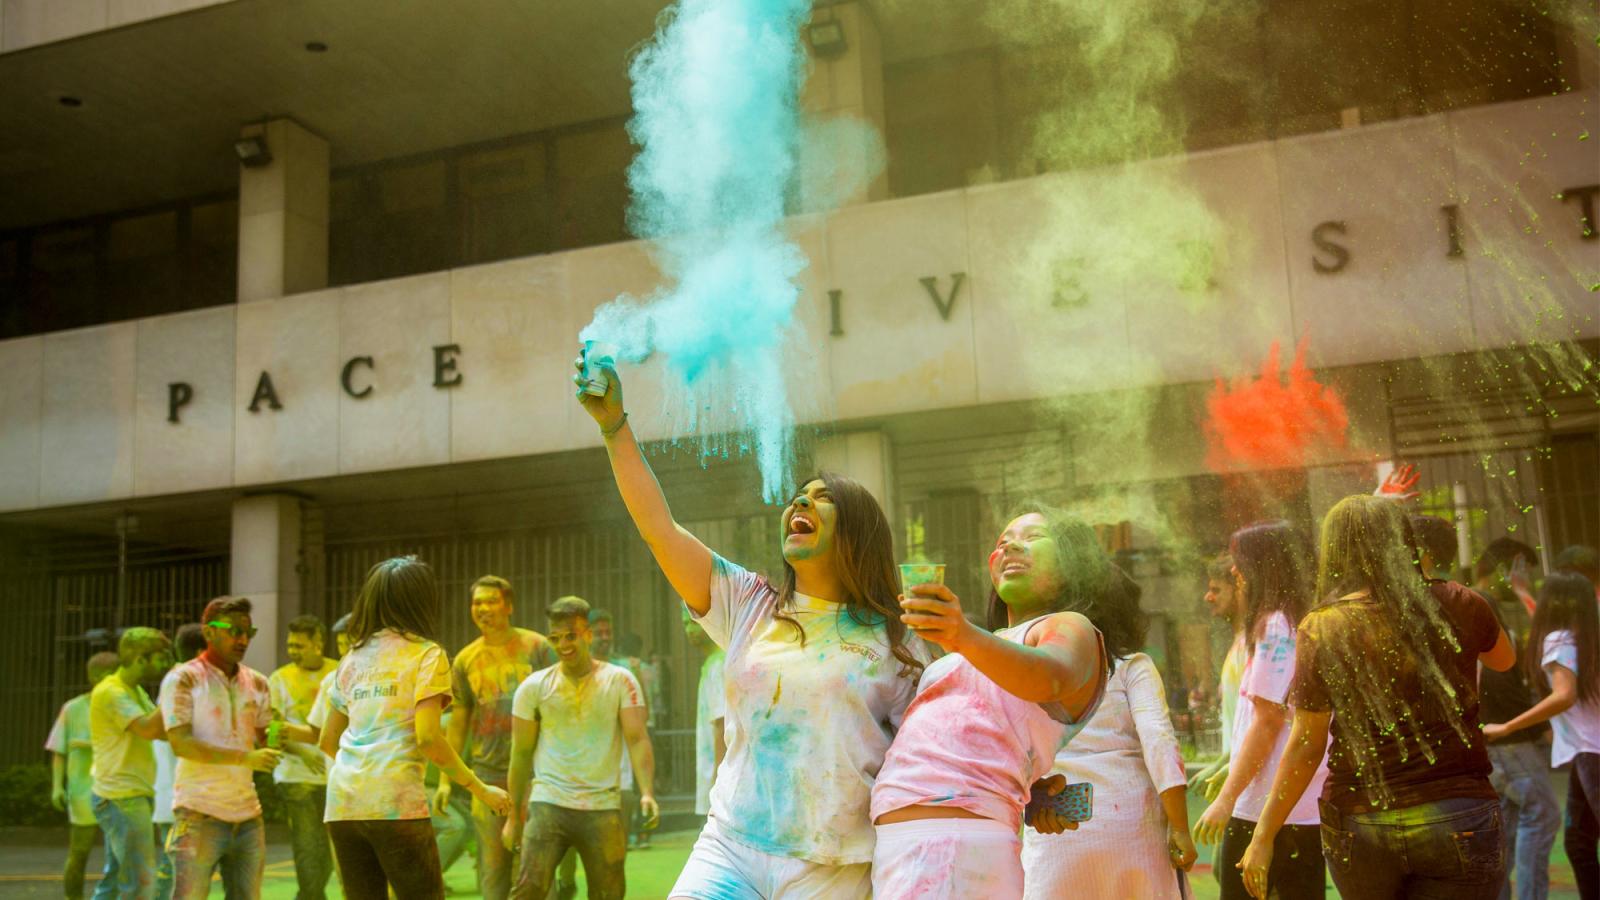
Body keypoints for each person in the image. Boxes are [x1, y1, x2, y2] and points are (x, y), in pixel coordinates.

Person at [573, 355, 925, 899]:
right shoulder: (749, 603)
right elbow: (659, 530)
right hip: (730, 846)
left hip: (835, 865)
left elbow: (928, 752)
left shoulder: (898, 638)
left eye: (823, 498)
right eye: (799, 496)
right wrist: (614, 428)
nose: (801, 501)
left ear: (859, 534)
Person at [1238, 494, 1516, 899]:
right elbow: (1505, 661)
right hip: (1457, 809)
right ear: (1405, 542)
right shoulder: (1460, 602)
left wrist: (1263, 835)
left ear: (1334, 552)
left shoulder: (1323, 626)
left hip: (1361, 819)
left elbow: (1305, 744)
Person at [868, 510, 1108, 897]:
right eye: (1002, 542)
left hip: (953, 846)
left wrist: (961, 634)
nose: (1011, 545)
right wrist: (1030, 792)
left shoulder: (1069, 626)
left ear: (1071, 565)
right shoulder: (973, 648)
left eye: (1032, 537)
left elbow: (1051, 676)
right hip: (905, 843)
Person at [317, 556, 511, 900]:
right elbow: (427, 738)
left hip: (343, 804)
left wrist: (361, 771)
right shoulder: (426, 655)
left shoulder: (352, 658)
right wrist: (482, 790)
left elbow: (327, 739)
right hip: (397, 804)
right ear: (420, 599)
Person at [1021, 564, 1196, 899]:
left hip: (1057, 823)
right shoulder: (1132, 666)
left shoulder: (1040, 670)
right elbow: (1159, 740)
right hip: (1132, 826)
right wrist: (1181, 827)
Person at [1195, 521, 1327, 899]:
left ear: (1263, 567)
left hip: (1268, 808)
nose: (1234, 571)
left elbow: (1268, 723)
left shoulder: (1276, 626)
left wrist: (1226, 800)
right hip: (1295, 807)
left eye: (1240, 562)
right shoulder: (1297, 619)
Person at [502, 595, 657, 900]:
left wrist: (647, 792)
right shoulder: (533, 688)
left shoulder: (620, 681)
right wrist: (512, 817)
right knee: (528, 889)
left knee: (609, 893)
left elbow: (637, 739)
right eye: (555, 638)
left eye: (571, 636)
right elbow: (520, 753)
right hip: (549, 803)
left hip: (603, 805)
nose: (563, 645)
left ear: (587, 634)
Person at [163, 596, 308, 900]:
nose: (242, 639)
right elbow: (181, 744)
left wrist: (277, 735)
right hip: (198, 813)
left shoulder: (257, 682)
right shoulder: (184, 678)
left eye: (248, 632)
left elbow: (266, 736)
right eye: (234, 630)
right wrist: (247, 758)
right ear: (209, 631)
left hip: (247, 817)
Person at [436, 575, 554, 900]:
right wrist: (446, 782)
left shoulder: (538, 648)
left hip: (536, 776)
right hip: (487, 780)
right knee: (492, 870)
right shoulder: (464, 660)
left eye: (491, 601)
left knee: (536, 867)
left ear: (509, 605)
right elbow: (458, 722)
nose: (483, 608)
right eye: (477, 603)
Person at [1485, 571, 1600, 899]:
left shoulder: (1559, 640)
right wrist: (1523, 593)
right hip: (1586, 752)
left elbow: (1564, 695)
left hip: (1590, 754)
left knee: (1576, 839)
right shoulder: (1586, 637)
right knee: (1578, 842)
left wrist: (1507, 726)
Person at [1472, 538, 1559, 900]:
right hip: (1507, 738)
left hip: (1498, 736)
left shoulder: (1480, 604)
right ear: (1513, 566)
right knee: (1543, 814)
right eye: (1524, 571)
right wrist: (1533, 726)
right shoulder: (1483, 605)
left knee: (1505, 828)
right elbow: (1496, 682)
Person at [89, 627, 173, 900]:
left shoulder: (133, 690)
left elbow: (162, 730)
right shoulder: (111, 692)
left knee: (115, 881)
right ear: (140, 659)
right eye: (160, 659)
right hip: (122, 797)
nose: (164, 666)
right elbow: (149, 729)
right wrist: (175, 689)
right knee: (139, 884)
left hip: (128, 795)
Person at [268, 615, 337, 900]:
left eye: (300, 645)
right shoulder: (279, 679)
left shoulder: (337, 672)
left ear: (318, 643)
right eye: (290, 645)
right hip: (296, 776)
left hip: (334, 776)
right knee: (307, 844)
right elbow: (272, 730)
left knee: (331, 850)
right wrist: (302, 754)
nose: (293, 650)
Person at [48, 651, 119, 900]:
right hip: (82, 789)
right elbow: (59, 750)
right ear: (91, 677)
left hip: (117, 789)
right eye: (101, 676)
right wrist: (57, 786)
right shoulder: (74, 708)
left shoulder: (123, 705)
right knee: (79, 851)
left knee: (120, 853)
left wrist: (88, 744)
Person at [153, 623, 207, 900]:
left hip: (185, 795)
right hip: (180, 796)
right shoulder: (181, 684)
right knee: (176, 872)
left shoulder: (185, 682)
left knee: (180, 870)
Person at [1189, 554, 1245, 804]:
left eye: (1216, 590)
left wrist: (1225, 765)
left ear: (1239, 589)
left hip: (1249, 789)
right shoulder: (1239, 644)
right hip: (1239, 784)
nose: (1208, 597)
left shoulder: (1255, 647)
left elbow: (1263, 723)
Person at [684, 608, 726, 820]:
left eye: (693, 623)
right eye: (685, 625)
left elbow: (723, 725)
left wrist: (719, 781)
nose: (689, 630)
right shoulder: (712, 663)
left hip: (718, 783)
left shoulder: (719, 664)